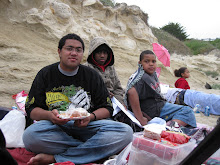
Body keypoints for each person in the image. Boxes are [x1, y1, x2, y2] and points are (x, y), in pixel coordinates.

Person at [23, 33, 133, 165]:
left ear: (83, 53)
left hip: (87, 126)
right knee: (30, 136)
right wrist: (50, 116)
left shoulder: (91, 75)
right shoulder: (46, 74)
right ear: (59, 51)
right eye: (69, 48)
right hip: (55, 127)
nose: (74, 53)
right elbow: (31, 109)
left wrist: (90, 117)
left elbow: (107, 108)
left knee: (126, 132)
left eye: (78, 50)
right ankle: (93, 149)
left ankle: (56, 158)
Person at [124, 50, 196, 128]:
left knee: (182, 112)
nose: (151, 64)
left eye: (153, 61)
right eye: (147, 61)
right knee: (187, 111)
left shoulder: (151, 74)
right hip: (153, 109)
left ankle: (170, 124)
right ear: (140, 63)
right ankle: (169, 128)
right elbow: (131, 92)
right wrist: (140, 118)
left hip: (157, 106)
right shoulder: (140, 77)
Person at [84, 37, 125, 105]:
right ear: (93, 53)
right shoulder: (86, 69)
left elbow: (118, 88)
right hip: (95, 104)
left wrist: (119, 103)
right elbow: (84, 91)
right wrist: (103, 95)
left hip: (113, 102)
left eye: (105, 53)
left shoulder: (111, 68)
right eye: (99, 53)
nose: (102, 56)